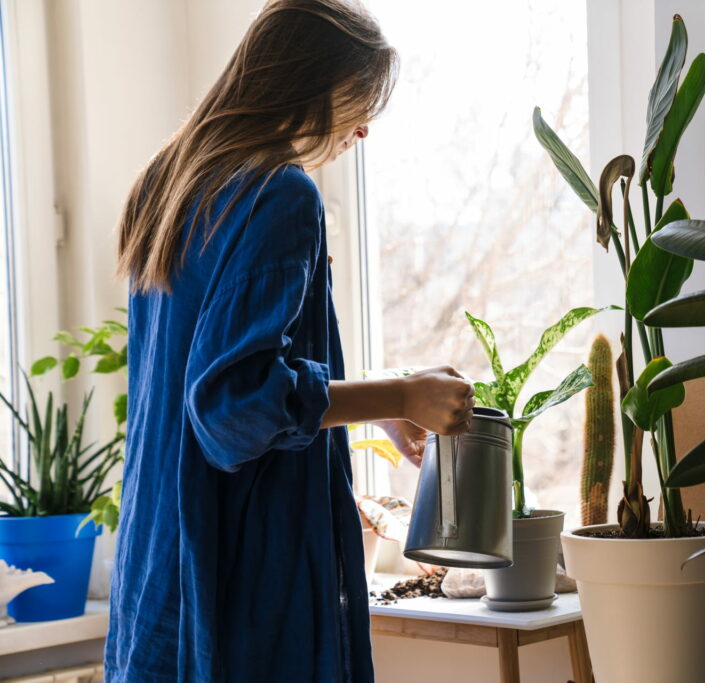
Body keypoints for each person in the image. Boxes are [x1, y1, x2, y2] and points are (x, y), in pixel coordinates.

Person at [107, 1, 473, 680]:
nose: (362, 129)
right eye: (359, 102)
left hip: (158, 573)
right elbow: (231, 409)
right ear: (314, 82)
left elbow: (220, 375)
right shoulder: (279, 194)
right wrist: (401, 391)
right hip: (240, 586)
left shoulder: (167, 185)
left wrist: (380, 400)